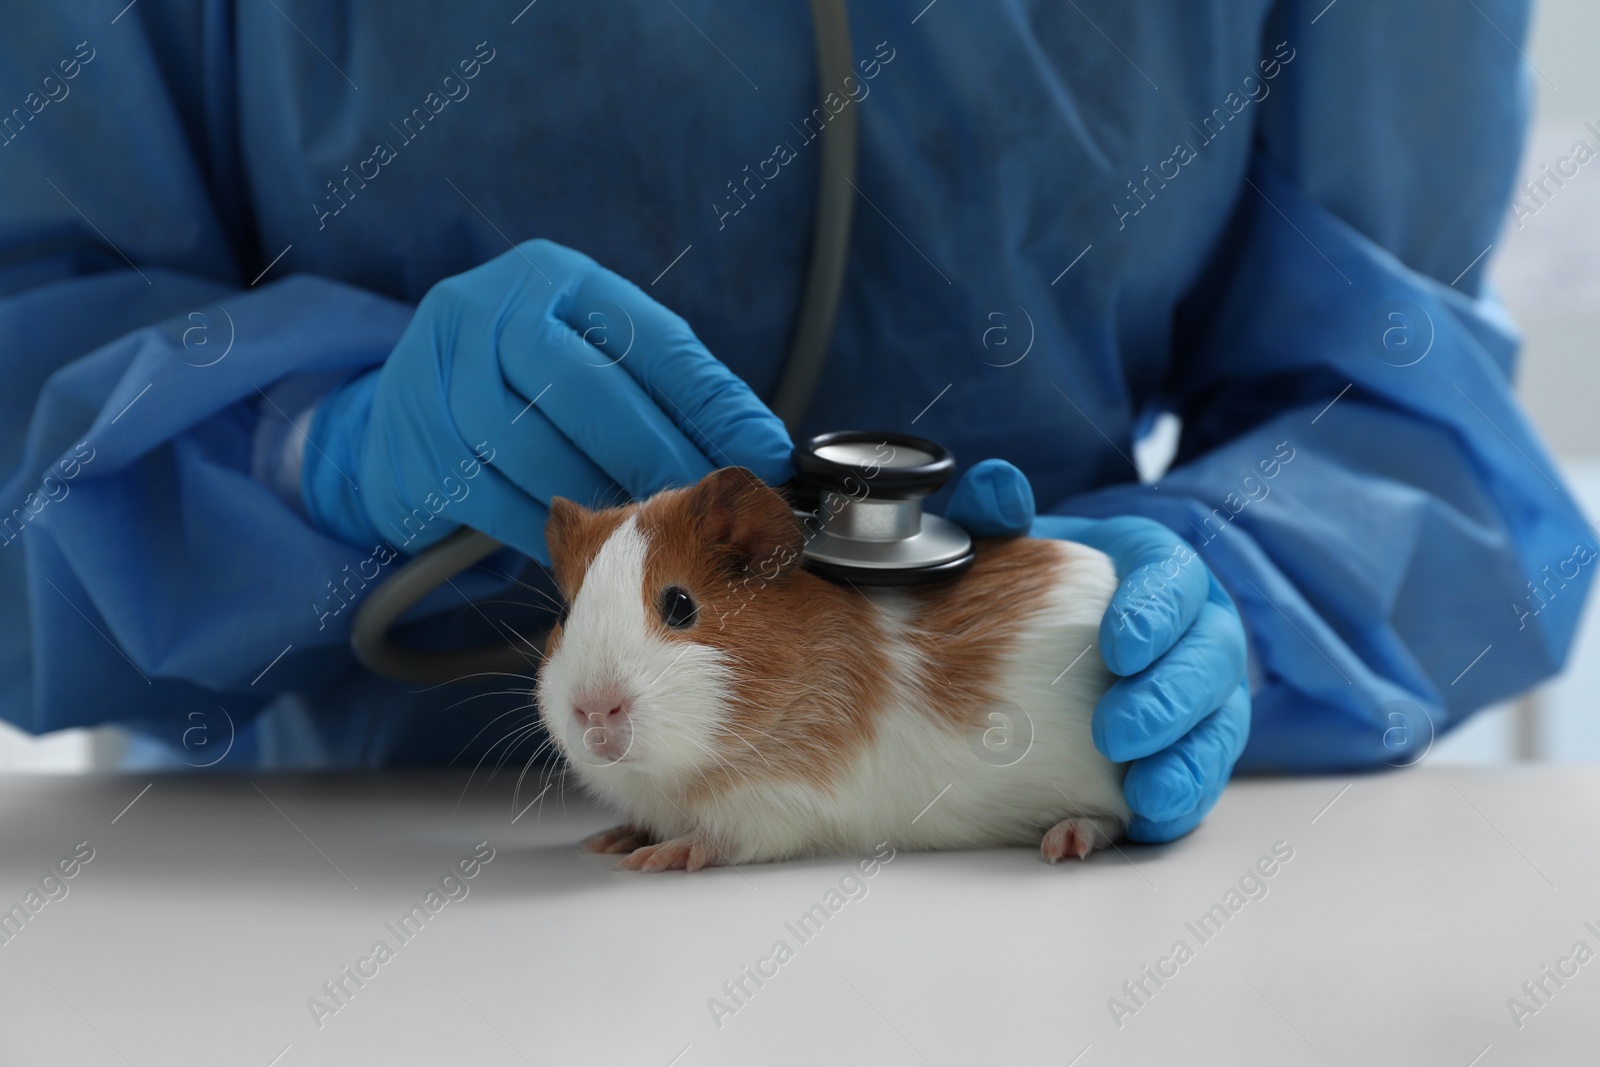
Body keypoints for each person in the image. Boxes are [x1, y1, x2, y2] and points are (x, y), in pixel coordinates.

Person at [0, 0, 1588, 843]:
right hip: (305, 893)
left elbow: (1411, 434)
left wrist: (1226, 596)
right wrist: (311, 448)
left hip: (1038, 860)